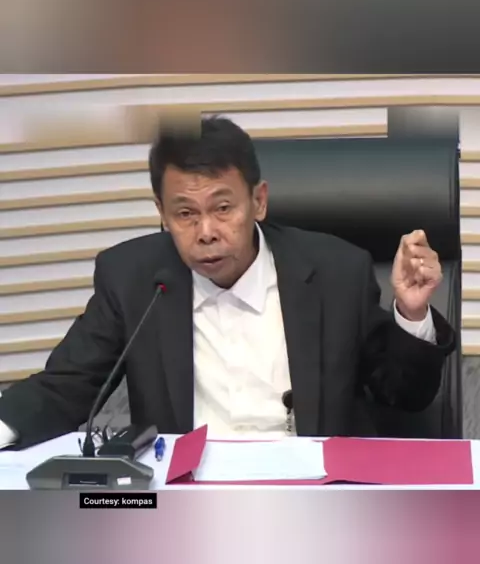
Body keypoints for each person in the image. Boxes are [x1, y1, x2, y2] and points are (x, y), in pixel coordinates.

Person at [0, 116, 455, 448]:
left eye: (223, 208)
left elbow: (404, 395)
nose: (206, 232)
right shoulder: (132, 278)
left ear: (258, 201)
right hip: (187, 500)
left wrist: (411, 312)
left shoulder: (336, 271)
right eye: (185, 213)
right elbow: (65, 387)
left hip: (313, 491)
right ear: (161, 213)